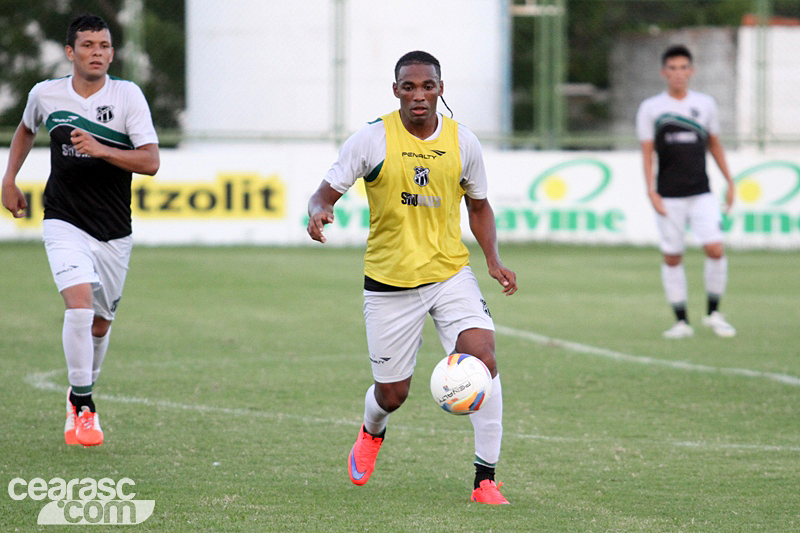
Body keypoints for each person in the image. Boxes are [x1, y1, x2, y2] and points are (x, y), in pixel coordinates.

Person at [307, 51, 517, 504]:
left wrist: (493, 260)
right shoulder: (372, 139)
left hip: (449, 274)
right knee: (392, 394)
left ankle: (485, 479)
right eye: (409, 87)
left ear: (441, 89)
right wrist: (320, 211)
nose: (419, 95)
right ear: (396, 90)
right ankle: (372, 430)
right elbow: (324, 192)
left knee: (483, 360)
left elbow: (479, 206)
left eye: (427, 86)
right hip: (390, 283)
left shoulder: (463, 142)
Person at [1, 13, 159, 446]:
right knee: (79, 307)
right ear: (70, 52)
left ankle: (78, 390)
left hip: (114, 229)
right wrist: (9, 179)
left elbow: (150, 162)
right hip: (63, 219)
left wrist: (102, 149)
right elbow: (26, 130)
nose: (97, 53)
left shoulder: (127, 96)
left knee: (101, 324)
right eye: (88, 45)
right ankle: (84, 405)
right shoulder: (45, 94)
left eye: (104, 46)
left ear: (112, 53)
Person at [636, 45, 736, 339]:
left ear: (691, 71)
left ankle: (713, 313)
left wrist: (730, 182)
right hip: (668, 194)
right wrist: (651, 191)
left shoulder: (705, 104)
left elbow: (714, 144)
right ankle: (681, 321)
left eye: (683, 68)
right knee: (672, 256)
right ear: (663, 72)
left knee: (715, 249)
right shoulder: (651, 108)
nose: (678, 73)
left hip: (701, 192)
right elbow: (647, 152)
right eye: (672, 68)